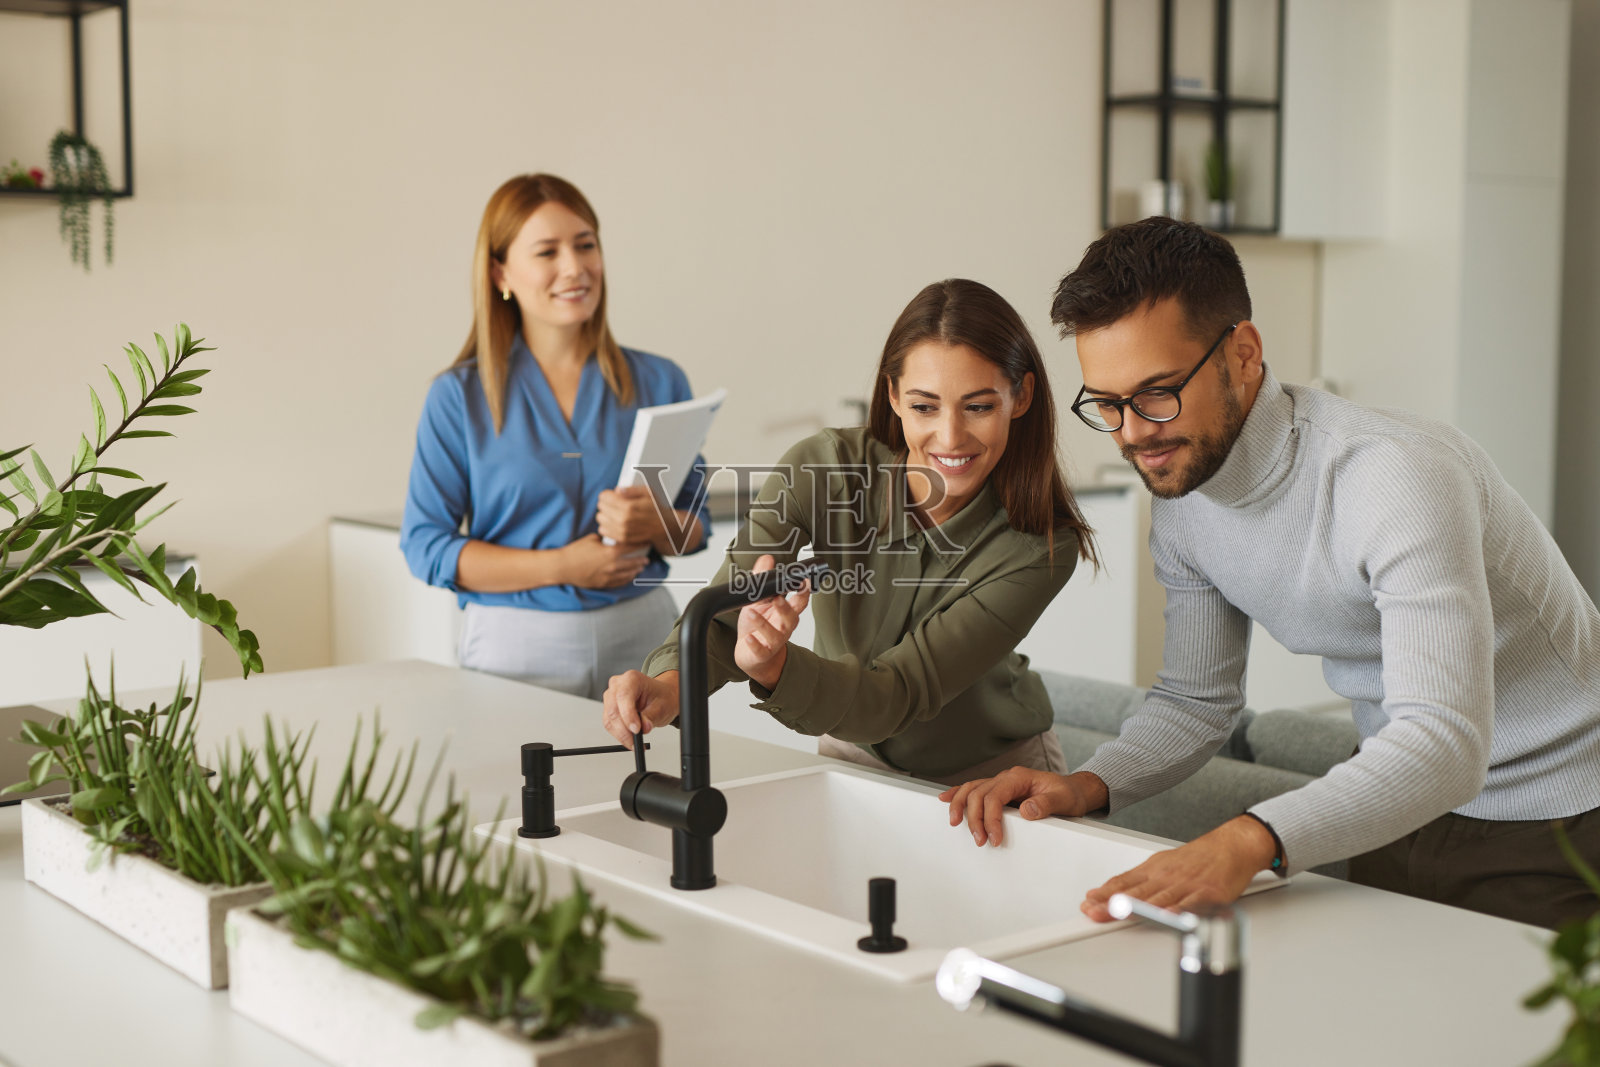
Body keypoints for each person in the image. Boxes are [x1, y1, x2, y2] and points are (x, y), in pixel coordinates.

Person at [942, 217, 1600, 930]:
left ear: (1245, 353)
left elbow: (1447, 742)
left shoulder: (1395, 477)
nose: (1132, 432)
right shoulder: (1185, 502)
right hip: (1392, 797)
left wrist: (1249, 837)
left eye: (1157, 392)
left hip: (1557, 813)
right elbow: (1197, 699)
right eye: (1107, 404)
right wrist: (1088, 784)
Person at [599, 278, 1098, 785]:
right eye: (925, 406)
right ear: (893, 396)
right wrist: (666, 686)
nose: (950, 436)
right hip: (848, 747)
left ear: (1021, 396)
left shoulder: (1040, 546)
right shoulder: (825, 468)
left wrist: (774, 669)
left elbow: (898, 692)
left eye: (979, 406)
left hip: (992, 776)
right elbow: (725, 613)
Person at [401, 174, 711, 700]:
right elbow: (426, 545)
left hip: (647, 640)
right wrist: (563, 566)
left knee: (650, 782)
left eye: (586, 245)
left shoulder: (660, 381)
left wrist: (658, 523)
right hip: (515, 647)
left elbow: (696, 527)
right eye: (547, 251)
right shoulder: (458, 397)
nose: (575, 267)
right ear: (501, 271)